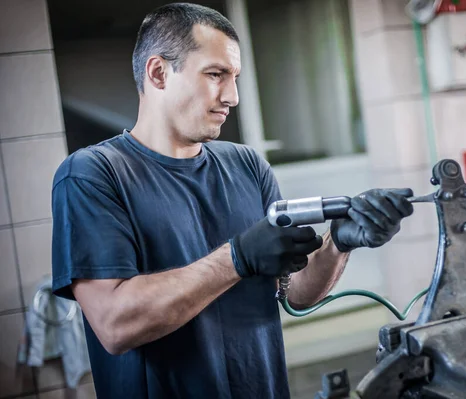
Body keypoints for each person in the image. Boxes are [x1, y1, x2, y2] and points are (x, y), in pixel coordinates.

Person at [51, 3, 414, 399]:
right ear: (158, 73)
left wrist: (338, 243)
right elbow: (115, 325)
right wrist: (236, 258)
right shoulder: (93, 174)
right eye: (215, 74)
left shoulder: (245, 164)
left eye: (235, 77)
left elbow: (295, 292)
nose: (234, 96)